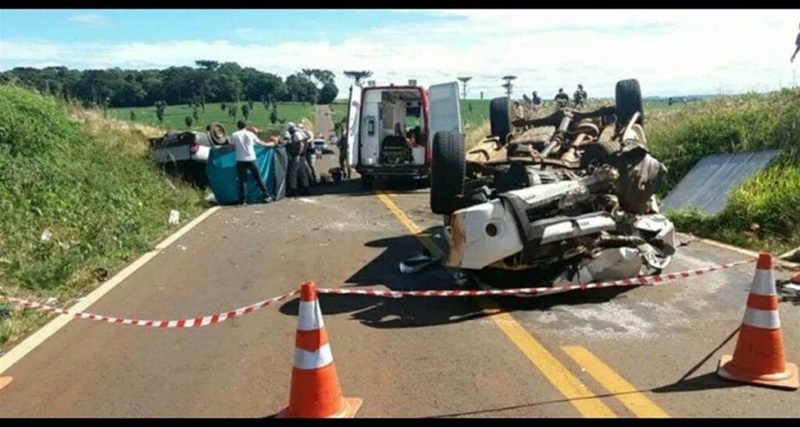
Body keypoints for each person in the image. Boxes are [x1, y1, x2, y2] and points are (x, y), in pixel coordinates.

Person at [227, 119, 273, 205]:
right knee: (258, 178)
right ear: (246, 126)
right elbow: (260, 143)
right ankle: (267, 196)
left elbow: (230, 147)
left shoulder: (234, 135)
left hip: (240, 160)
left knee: (243, 181)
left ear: (237, 126)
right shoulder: (250, 134)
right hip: (251, 159)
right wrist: (270, 144)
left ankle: (243, 201)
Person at [285, 122, 311, 197]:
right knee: (303, 172)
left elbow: (301, 144)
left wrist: (298, 153)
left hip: (297, 156)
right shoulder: (301, 132)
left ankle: (294, 190)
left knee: (293, 173)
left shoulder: (296, 134)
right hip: (302, 155)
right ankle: (306, 188)